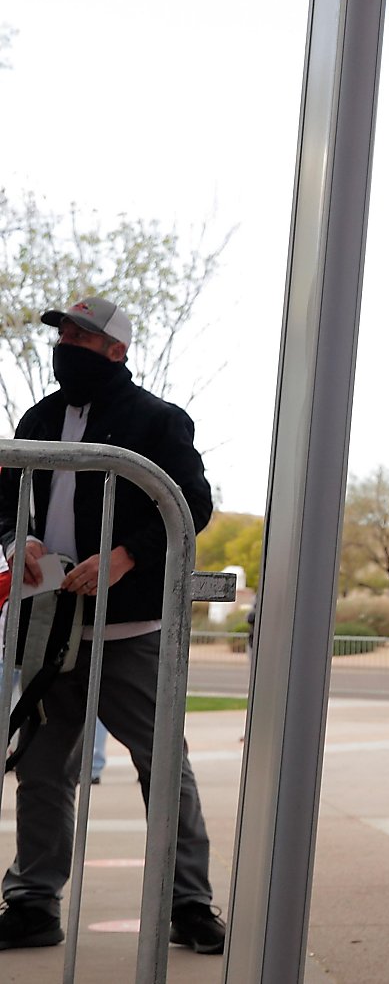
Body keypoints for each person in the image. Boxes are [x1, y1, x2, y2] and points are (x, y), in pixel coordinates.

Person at [0, 297, 224, 954]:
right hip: (52, 630)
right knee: (41, 770)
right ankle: (33, 902)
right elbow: (5, 498)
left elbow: (192, 503)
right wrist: (20, 539)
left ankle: (189, 903)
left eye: (82, 335)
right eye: (64, 332)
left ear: (118, 351)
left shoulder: (158, 419)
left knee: (164, 767)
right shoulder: (38, 418)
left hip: (131, 632)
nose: (67, 342)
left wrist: (125, 555)